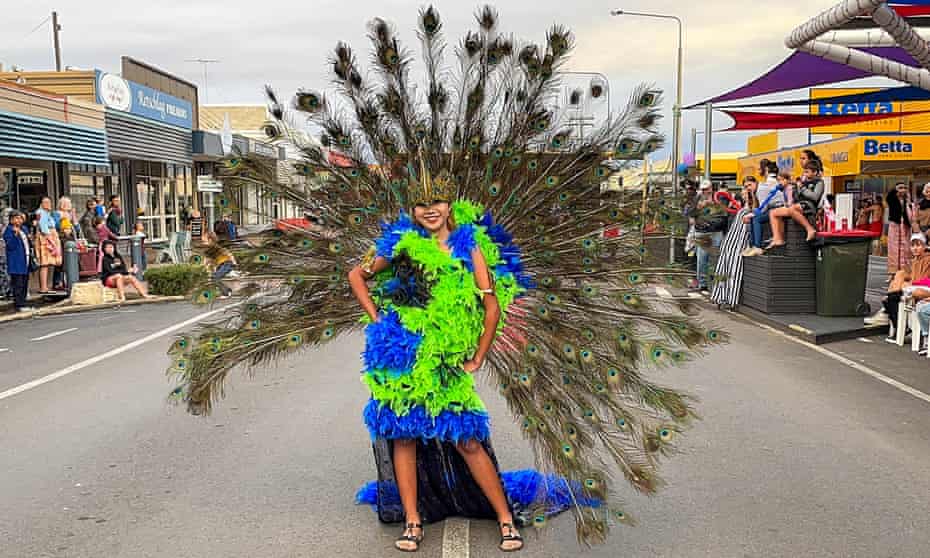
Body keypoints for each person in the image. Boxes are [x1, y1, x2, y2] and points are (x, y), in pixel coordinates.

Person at [865, 233, 930, 338]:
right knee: (894, 287)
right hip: (916, 288)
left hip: (924, 289)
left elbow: (924, 281)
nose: (915, 249)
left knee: (891, 298)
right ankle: (899, 325)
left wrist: (907, 284)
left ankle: (899, 325)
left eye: (918, 245)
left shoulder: (927, 259)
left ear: (924, 246)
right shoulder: (914, 261)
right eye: (913, 246)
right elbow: (909, 275)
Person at [711, 176, 759, 308]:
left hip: (739, 241)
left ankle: (729, 299)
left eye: (746, 188)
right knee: (724, 268)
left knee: (733, 270)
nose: (744, 191)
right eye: (744, 187)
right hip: (731, 240)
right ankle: (721, 297)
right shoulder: (743, 208)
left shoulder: (751, 209)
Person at [766, 162, 823, 247]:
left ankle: (810, 229)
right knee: (773, 213)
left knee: (792, 209)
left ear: (815, 172)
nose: (805, 174)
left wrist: (802, 188)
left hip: (809, 205)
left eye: (807, 172)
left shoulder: (819, 182)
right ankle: (778, 239)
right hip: (798, 205)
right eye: (804, 172)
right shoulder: (803, 182)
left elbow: (815, 197)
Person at [743, 159, 784, 257]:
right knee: (753, 216)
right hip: (774, 209)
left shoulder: (762, 187)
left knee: (755, 217)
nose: (748, 188)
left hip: (778, 208)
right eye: (746, 186)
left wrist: (752, 214)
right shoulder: (760, 188)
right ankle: (753, 245)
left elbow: (763, 208)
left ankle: (757, 246)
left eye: (750, 185)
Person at [692, 180, 727, 292]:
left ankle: (716, 284)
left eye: (707, 189)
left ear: (711, 188)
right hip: (702, 232)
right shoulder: (696, 199)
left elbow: (724, 212)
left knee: (717, 258)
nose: (705, 191)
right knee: (702, 259)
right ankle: (702, 283)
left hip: (716, 230)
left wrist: (712, 204)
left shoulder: (719, 197)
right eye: (703, 189)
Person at [3, 210, 33, 312]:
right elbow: (11, 245)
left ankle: (24, 302)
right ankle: (19, 304)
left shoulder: (24, 229)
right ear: (11, 219)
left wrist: (30, 238)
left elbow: (29, 243)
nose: (19, 220)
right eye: (17, 218)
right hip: (16, 262)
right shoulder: (9, 230)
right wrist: (15, 235)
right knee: (18, 284)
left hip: (26, 259)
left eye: (20, 218)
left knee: (25, 283)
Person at [886, 183, 916, 276]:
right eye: (900, 188)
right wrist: (896, 189)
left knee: (906, 249)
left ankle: (905, 272)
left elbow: (912, 215)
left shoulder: (908, 201)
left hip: (906, 227)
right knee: (894, 249)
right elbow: (889, 196)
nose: (902, 190)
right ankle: (893, 273)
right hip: (895, 226)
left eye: (904, 188)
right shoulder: (892, 199)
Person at [34, 197, 62, 294]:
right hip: (45, 239)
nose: (48, 204)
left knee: (47, 264)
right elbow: (43, 228)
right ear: (41, 204)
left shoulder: (46, 213)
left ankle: (45, 286)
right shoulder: (41, 212)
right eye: (45, 202)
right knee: (44, 264)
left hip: (48, 238)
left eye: (49, 202)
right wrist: (52, 241)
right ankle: (43, 287)